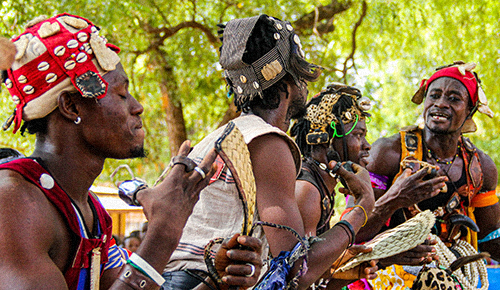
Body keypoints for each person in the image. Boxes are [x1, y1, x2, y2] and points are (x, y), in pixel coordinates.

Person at [0, 14, 262, 290]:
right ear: (72, 107)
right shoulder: (13, 203)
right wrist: (163, 232)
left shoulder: (91, 213)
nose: (138, 107)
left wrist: (215, 282)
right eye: (122, 94)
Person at [162, 15, 375, 290]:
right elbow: (296, 270)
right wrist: (362, 206)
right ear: (286, 75)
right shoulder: (268, 142)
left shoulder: (225, 134)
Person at [365, 61, 500, 288]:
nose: (440, 104)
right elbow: (356, 226)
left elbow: (489, 237)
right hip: (387, 272)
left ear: (470, 110)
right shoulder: (389, 153)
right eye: (434, 95)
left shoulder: (480, 167)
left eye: (454, 99)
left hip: (452, 273)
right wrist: (396, 200)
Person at [291, 83, 438, 289]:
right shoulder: (307, 190)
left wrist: (382, 258)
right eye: (359, 135)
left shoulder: (321, 187)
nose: (367, 145)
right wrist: (365, 202)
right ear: (328, 139)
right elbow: (299, 277)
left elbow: (319, 278)